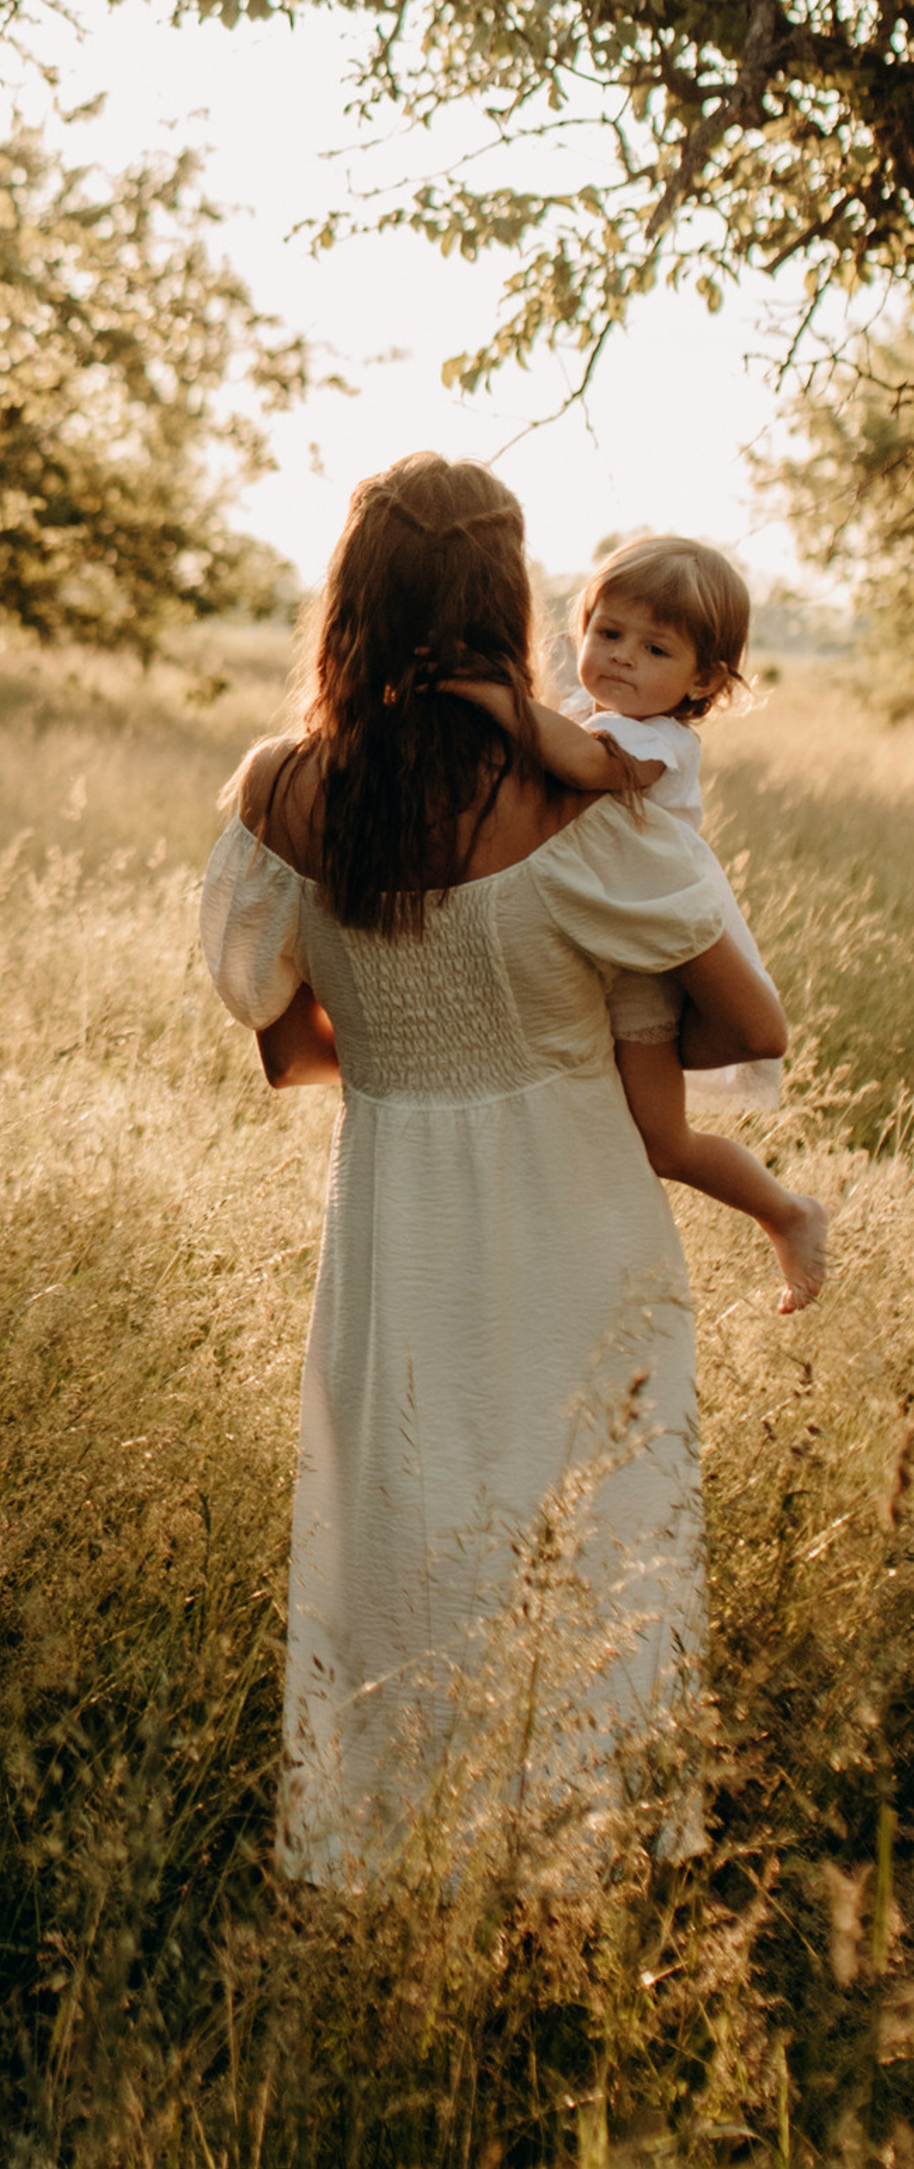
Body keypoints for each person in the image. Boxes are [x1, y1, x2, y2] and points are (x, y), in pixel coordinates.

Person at [199, 454, 789, 1883]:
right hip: (576, 1208)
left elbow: (289, 1051)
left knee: (401, 1525)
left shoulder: (280, 796)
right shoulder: (589, 807)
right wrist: (578, 1034)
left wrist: (419, 1061)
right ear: (506, 601)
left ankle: (392, 1858)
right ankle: (585, 1861)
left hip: (398, 1215)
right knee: (590, 1529)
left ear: (351, 595)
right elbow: (752, 1026)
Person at [450, 533, 826, 1314]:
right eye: (608, 633)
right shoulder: (589, 709)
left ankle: (786, 1212)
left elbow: (584, 765)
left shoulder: (657, 743)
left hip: (654, 952)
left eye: (655, 648)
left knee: (663, 1141)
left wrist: (496, 700)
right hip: (599, 939)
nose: (621, 658)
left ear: (704, 680)